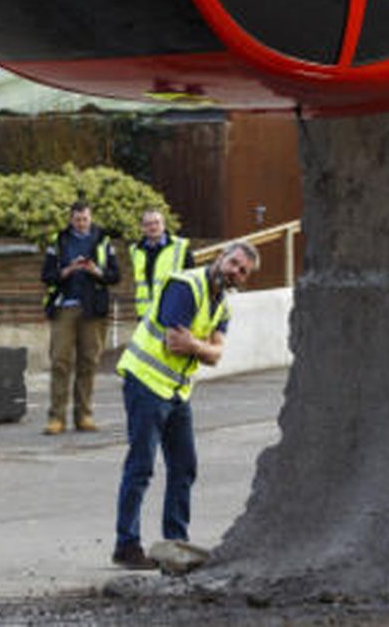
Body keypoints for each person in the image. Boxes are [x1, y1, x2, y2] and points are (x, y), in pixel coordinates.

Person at [111, 240, 260, 570]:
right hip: (146, 383)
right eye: (233, 262)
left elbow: (216, 356)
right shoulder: (185, 285)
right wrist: (202, 347)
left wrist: (200, 347)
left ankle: (175, 544)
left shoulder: (222, 306)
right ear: (221, 257)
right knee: (141, 467)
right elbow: (175, 344)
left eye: (242, 270)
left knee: (184, 467)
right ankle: (126, 545)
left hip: (177, 393)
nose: (235, 270)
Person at [41, 199, 120, 435]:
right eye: (77, 219)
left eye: (85, 218)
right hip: (65, 306)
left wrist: (96, 271)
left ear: (91, 217)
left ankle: (84, 415)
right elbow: (47, 275)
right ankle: (56, 418)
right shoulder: (59, 240)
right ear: (70, 219)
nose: (81, 223)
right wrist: (68, 270)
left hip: (93, 309)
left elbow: (115, 276)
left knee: (88, 362)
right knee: (60, 362)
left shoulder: (103, 241)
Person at [127, 208, 194, 323]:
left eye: (156, 223)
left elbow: (192, 280)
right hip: (145, 313)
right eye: (148, 224)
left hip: (173, 311)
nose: (153, 227)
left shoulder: (180, 246)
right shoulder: (135, 250)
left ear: (163, 224)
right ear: (142, 228)